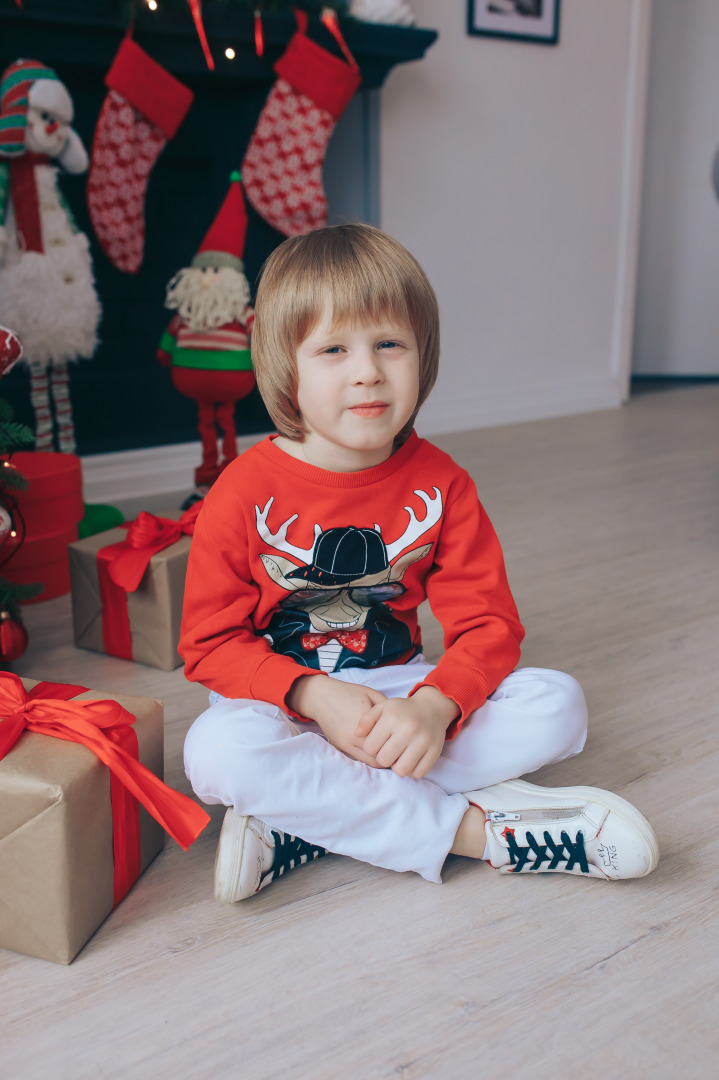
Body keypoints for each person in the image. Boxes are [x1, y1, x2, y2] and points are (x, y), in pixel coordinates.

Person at [180, 223, 659, 901]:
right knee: (215, 751)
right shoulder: (240, 490)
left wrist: (433, 710)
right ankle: (482, 835)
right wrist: (314, 697)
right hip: (282, 706)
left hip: (400, 691)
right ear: (286, 364)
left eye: (389, 344)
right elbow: (208, 648)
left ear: (422, 355)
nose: (367, 370)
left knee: (558, 705)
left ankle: (303, 818)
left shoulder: (443, 483)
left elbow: (489, 628)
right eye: (333, 349)